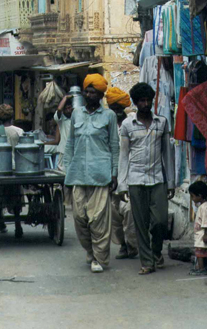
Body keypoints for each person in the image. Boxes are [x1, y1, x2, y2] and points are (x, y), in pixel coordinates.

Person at [64, 74, 119, 273]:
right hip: (78, 174)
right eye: (87, 90)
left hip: (100, 174)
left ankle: (99, 258)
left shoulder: (109, 116)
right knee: (79, 219)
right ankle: (90, 250)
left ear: (100, 94)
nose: (89, 94)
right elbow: (70, 144)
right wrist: (67, 171)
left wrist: (114, 173)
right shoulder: (76, 114)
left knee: (98, 220)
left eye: (93, 91)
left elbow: (114, 145)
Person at [118, 82, 175, 275]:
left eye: (148, 100)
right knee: (140, 224)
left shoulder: (162, 122)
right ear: (135, 103)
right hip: (135, 179)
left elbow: (168, 154)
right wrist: (122, 184)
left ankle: (156, 251)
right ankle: (147, 262)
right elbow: (124, 156)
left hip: (157, 178)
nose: (145, 103)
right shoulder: (127, 125)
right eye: (141, 100)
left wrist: (172, 182)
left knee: (159, 221)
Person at [106, 87, 138, 260]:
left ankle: (133, 244)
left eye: (120, 108)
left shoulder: (132, 122)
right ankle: (123, 245)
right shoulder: (106, 125)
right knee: (114, 214)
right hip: (112, 175)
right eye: (114, 108)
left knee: (128, 211)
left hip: (130, 174)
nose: (117, 112)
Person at [0, 104, 24, 238]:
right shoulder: (19, 131)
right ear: (12, 116)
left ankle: (1, 219)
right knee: (16, 194)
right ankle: (17, 225)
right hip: (16, 167)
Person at [189, 181, 207, 276]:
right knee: (200, 253)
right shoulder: (202, 206)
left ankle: (202, 268)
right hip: (200, 234)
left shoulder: (204, 208)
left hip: (203, 234)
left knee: (200, 253)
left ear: (199, 195)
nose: (192, 199)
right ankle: (201, 267)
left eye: (193, 196)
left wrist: (206, 234)